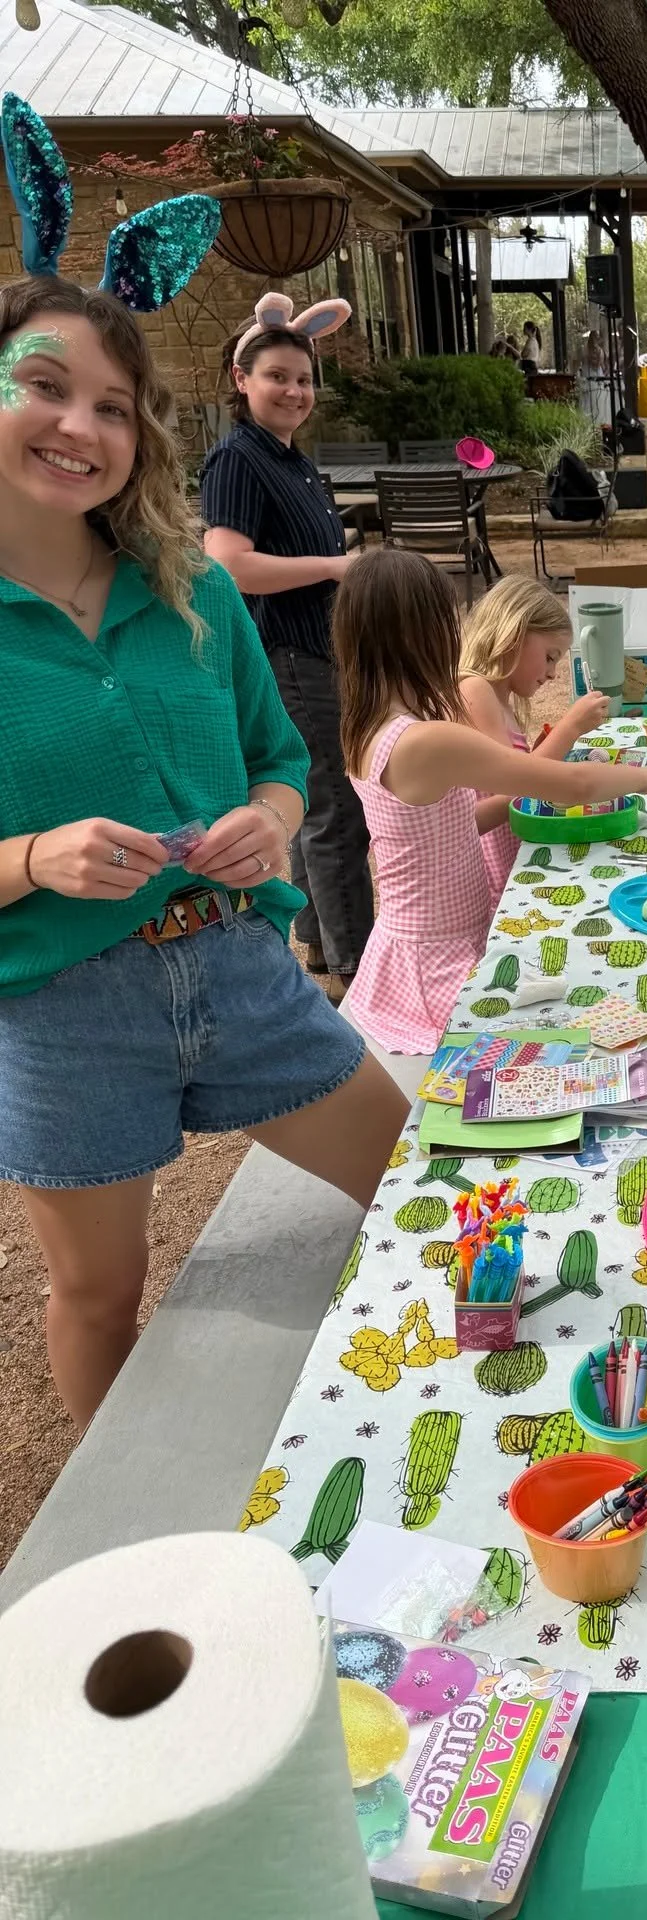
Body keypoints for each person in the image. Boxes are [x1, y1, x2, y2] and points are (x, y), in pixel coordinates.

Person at [0, 274, 410, 1428]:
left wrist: (273, 820)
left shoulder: (191, 589)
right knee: (99, 1291)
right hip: (61, 1013)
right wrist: (34, 858)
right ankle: (128, 1552)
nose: (81, 426)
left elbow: (281, 756)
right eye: (41, 386)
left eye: (115, 405)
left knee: (412, 1171)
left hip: (241, 969)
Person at [334, 550, 647, 1078]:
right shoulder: (427, 739)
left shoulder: (370, 724)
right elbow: (570, 784)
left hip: (422, 942)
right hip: (436, 962)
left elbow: (446, 826)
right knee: (576, 1052)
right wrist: (646, 777)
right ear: (422, 634)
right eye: (447, 622)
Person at [201, 295, 370, 1006]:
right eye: (277, 376)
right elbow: (228, 565)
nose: (294, 392)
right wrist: (335, 569)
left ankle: (321, 943)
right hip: (288, 655)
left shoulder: (291, 458)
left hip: (322, 649)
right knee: (335, 807)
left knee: (309, 802)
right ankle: (357, 968)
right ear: (243, 380)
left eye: (303, 379)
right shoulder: (237, 459)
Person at [460, 574, 614, 901]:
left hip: (516, 854)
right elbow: (519, 784)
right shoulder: (475, 690)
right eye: (549, 656)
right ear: (514, 634)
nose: (553, 673)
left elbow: (519, 771)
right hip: (493, 875)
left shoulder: (501, 699)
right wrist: (569, 728)